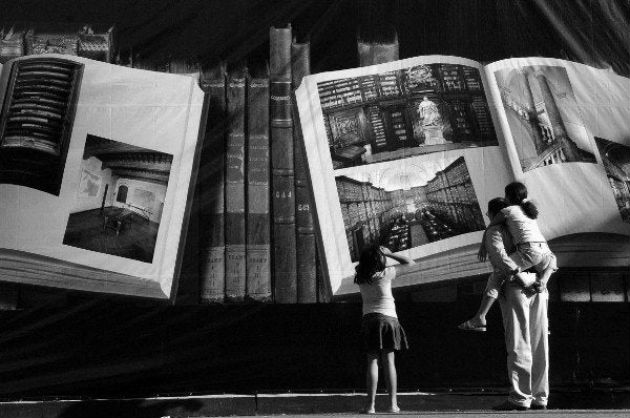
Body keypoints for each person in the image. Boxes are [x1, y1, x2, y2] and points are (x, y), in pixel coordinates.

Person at [459, 182, 557, 331]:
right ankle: (543, 284)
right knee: (551, 261)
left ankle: (480, 317)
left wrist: (483, 245)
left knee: (498, 273)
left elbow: (492, 226)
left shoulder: (508, 211)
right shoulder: (529, 212)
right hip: (544, 250)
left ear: (508, 197)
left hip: (529, 251)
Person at [355, 244, 416, 414]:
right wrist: (391, 253)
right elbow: (410, 263)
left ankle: (370, 406)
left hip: (369, 319)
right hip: (388, 318)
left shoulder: (360, 276)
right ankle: (392, 405)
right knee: (389, 362)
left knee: (372, 362)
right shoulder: (386, 274)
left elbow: (362, 266)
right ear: (380, 259)